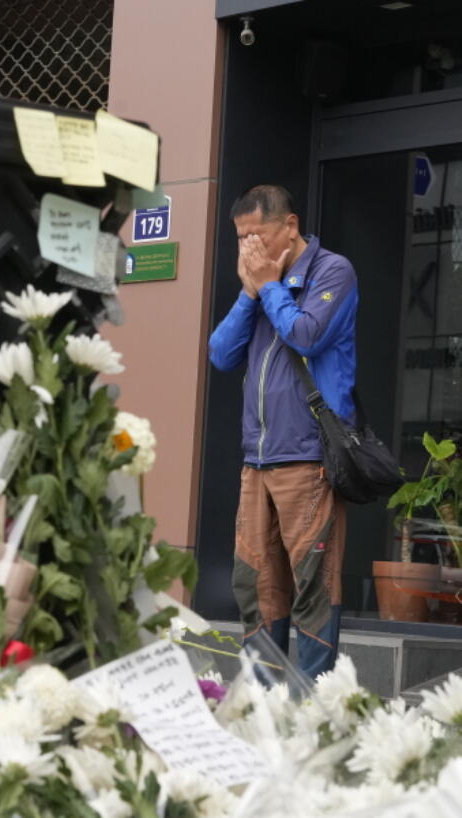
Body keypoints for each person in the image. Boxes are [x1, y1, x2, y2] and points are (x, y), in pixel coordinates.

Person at [208, 184, 358, 678]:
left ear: (289, 226)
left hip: (309, 457)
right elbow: (221, 353)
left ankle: (312, 708)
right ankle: (261, 706)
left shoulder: (332, 270)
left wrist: (270, 287)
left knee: (313, 586)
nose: (249, 247)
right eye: (241, 238)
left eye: (258, 234)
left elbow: (306, 334)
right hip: (257, 461)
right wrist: (252, 292)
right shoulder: (260, 286)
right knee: (256, 582)